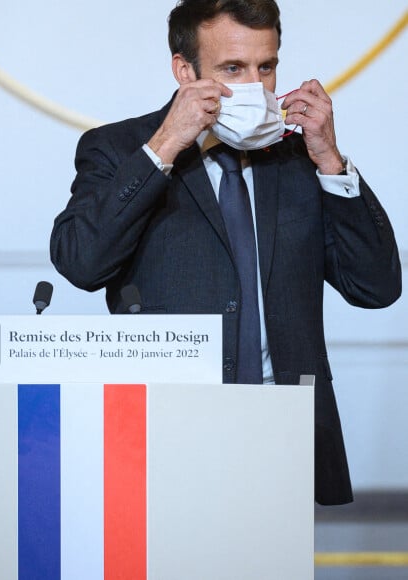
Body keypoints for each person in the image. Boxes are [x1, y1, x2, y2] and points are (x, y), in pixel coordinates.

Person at [50, 0, 401, 505]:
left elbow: (377, 287)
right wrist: (168, 142)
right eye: (232, 69)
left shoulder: (300, 157)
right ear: (184, 70)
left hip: (286, 435)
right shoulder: (120, 148)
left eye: (267, 67)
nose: (255, 87)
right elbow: (81, 262)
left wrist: (329, 158)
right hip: (164, 433)